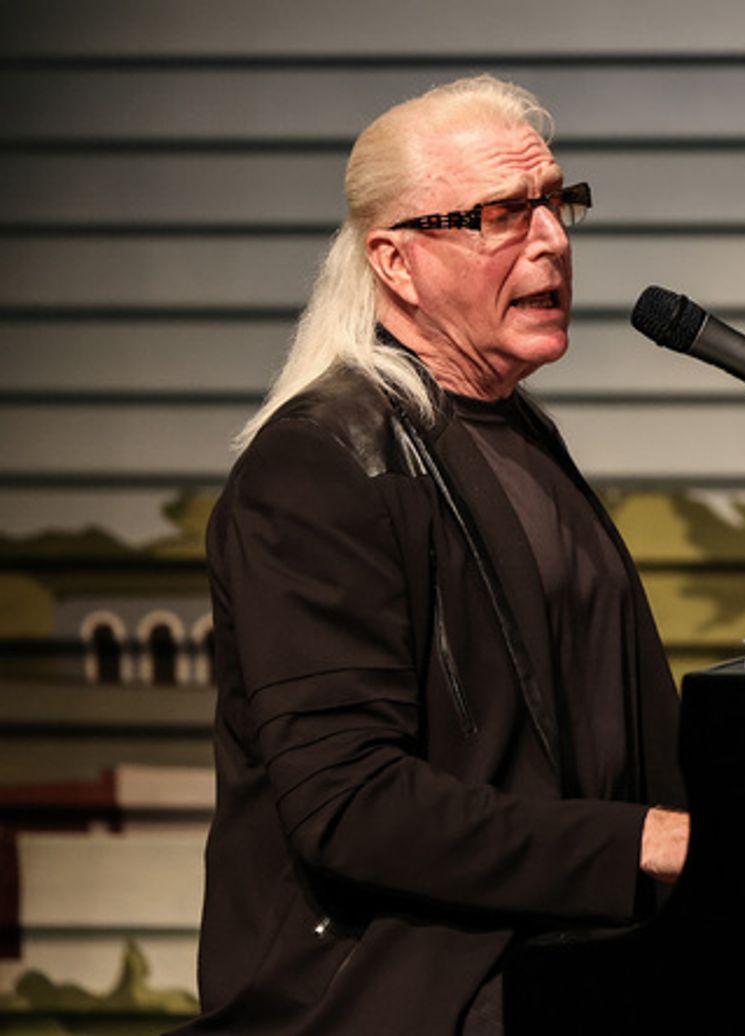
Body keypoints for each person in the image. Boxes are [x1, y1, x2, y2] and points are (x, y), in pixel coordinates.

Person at [175, 75, 689, 1035]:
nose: (553, 240)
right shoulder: (321, 466)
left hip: (557, 972)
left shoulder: (511, 432)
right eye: (501, 215)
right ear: (395, 262)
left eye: (557, 202)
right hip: (393, 1000)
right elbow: (351, 802)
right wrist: (641, 843)